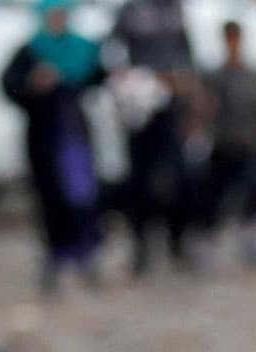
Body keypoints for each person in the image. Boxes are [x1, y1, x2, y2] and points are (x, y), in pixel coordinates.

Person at [1, 3, 105, 292]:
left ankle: (86, 254)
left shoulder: (82, 48)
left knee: (82, 195)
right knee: (50, 197)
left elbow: (97, 78)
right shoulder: (31, 51)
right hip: (43, 136)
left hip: (75, 135)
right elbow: (8, 85)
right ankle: (56, 256)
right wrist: (33, 85)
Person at [105, 0, 196, 274]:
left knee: (177, 177)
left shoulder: (176, 10)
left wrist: (184, 85)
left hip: (172, 109)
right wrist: (124, 77)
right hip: (140, 111)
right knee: (139, 182)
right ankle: (141, 248)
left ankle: (178, 243)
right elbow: (111, 50)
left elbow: (188, 56)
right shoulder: (131, 11)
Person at [200, 19, 256, 268]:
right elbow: (207, 108)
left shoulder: (251, 75)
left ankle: (249, 238)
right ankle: (210, 244)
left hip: (250, 144)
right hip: (224, 144)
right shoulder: (217, 76)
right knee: (217, 196)